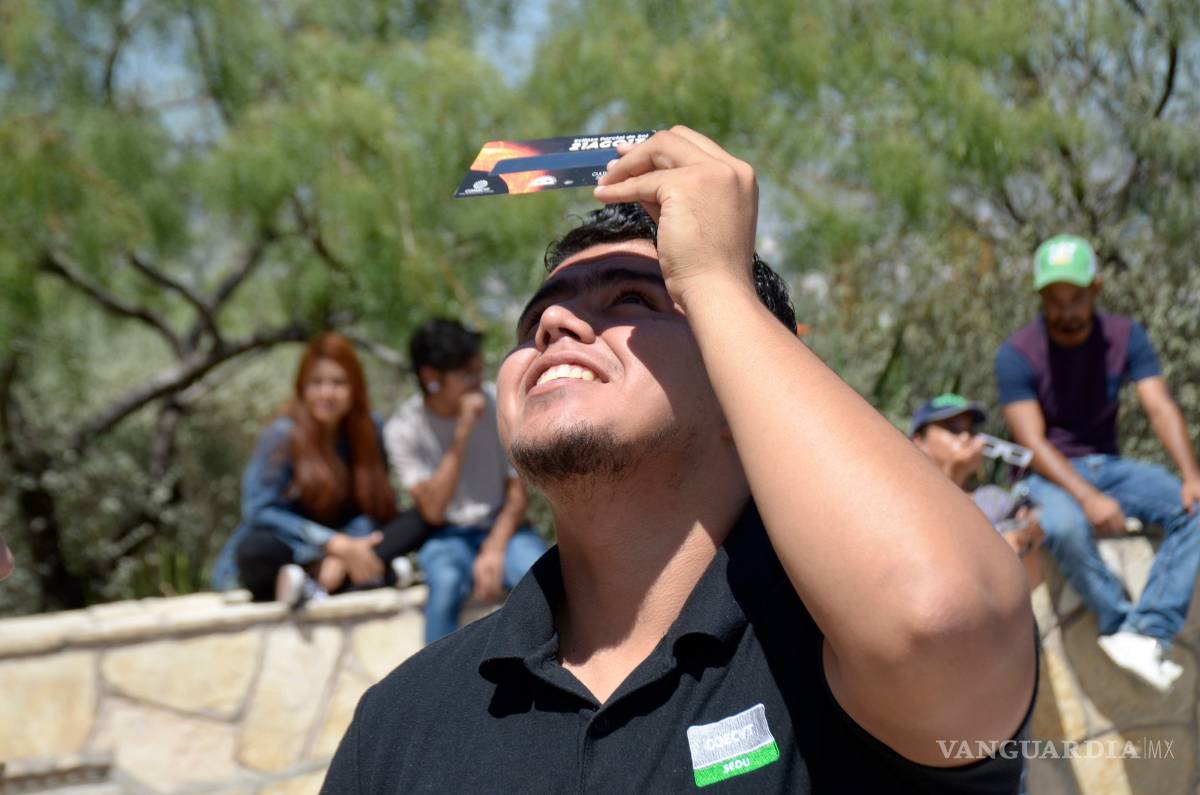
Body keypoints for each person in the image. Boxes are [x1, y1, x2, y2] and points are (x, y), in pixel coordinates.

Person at [326, 128, 1035, 793]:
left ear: (741, 383)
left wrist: (716, 280)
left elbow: (942, 620)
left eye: (631, 299)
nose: (554, 324)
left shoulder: (835, 653)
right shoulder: (397, 724)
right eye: (535, 320)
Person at [995, 234, 1200, 692]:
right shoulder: (1016, 354)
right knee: (1066, 526)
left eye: (1075, 297)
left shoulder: (1126, 337)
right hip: (1044, 474)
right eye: (1054, 299)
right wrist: (1087, 498)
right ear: (1040, 298)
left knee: (1194, 508)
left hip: (1108, 466)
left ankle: (1148, 631)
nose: (1065, 310)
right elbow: (1031, 442)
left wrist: (1192, 476)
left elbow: (1159, 406)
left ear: (1096, 290)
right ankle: (1117, 621)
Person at [211, 332, 425, 605]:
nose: (327, 393)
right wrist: (330, 545)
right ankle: (361, 574)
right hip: (290, 546)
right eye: (317, 383)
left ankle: (329, 578)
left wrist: (347, 549)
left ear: (355, 387)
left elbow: (373, 507)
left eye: (338, 383)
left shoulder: (369, 428)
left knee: (419, 518)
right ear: (302, 387)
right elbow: (259, 509)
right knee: (257, 550)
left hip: (348, 544)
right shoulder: (281, 434)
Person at [384, 318, 547, 644]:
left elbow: (517, 494)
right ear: (431, 378)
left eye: (478, 370)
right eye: (466, 373)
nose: (477, 381)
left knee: (539, 576)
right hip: (448, 535)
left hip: (507, 530)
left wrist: (494, 549)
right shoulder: (402, 429)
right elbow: (432, 511)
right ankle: (436, 676)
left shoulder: (502, 403)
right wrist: (462, 432)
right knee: (445, 583)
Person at [911, 393, 1045, 576]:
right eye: (953, 429)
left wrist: (1027, 543)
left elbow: (1032, 578)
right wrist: (951, 476)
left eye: (971, 430)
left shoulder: (995, 500)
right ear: (919, 441)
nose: (966, 436)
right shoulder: (905, 497)